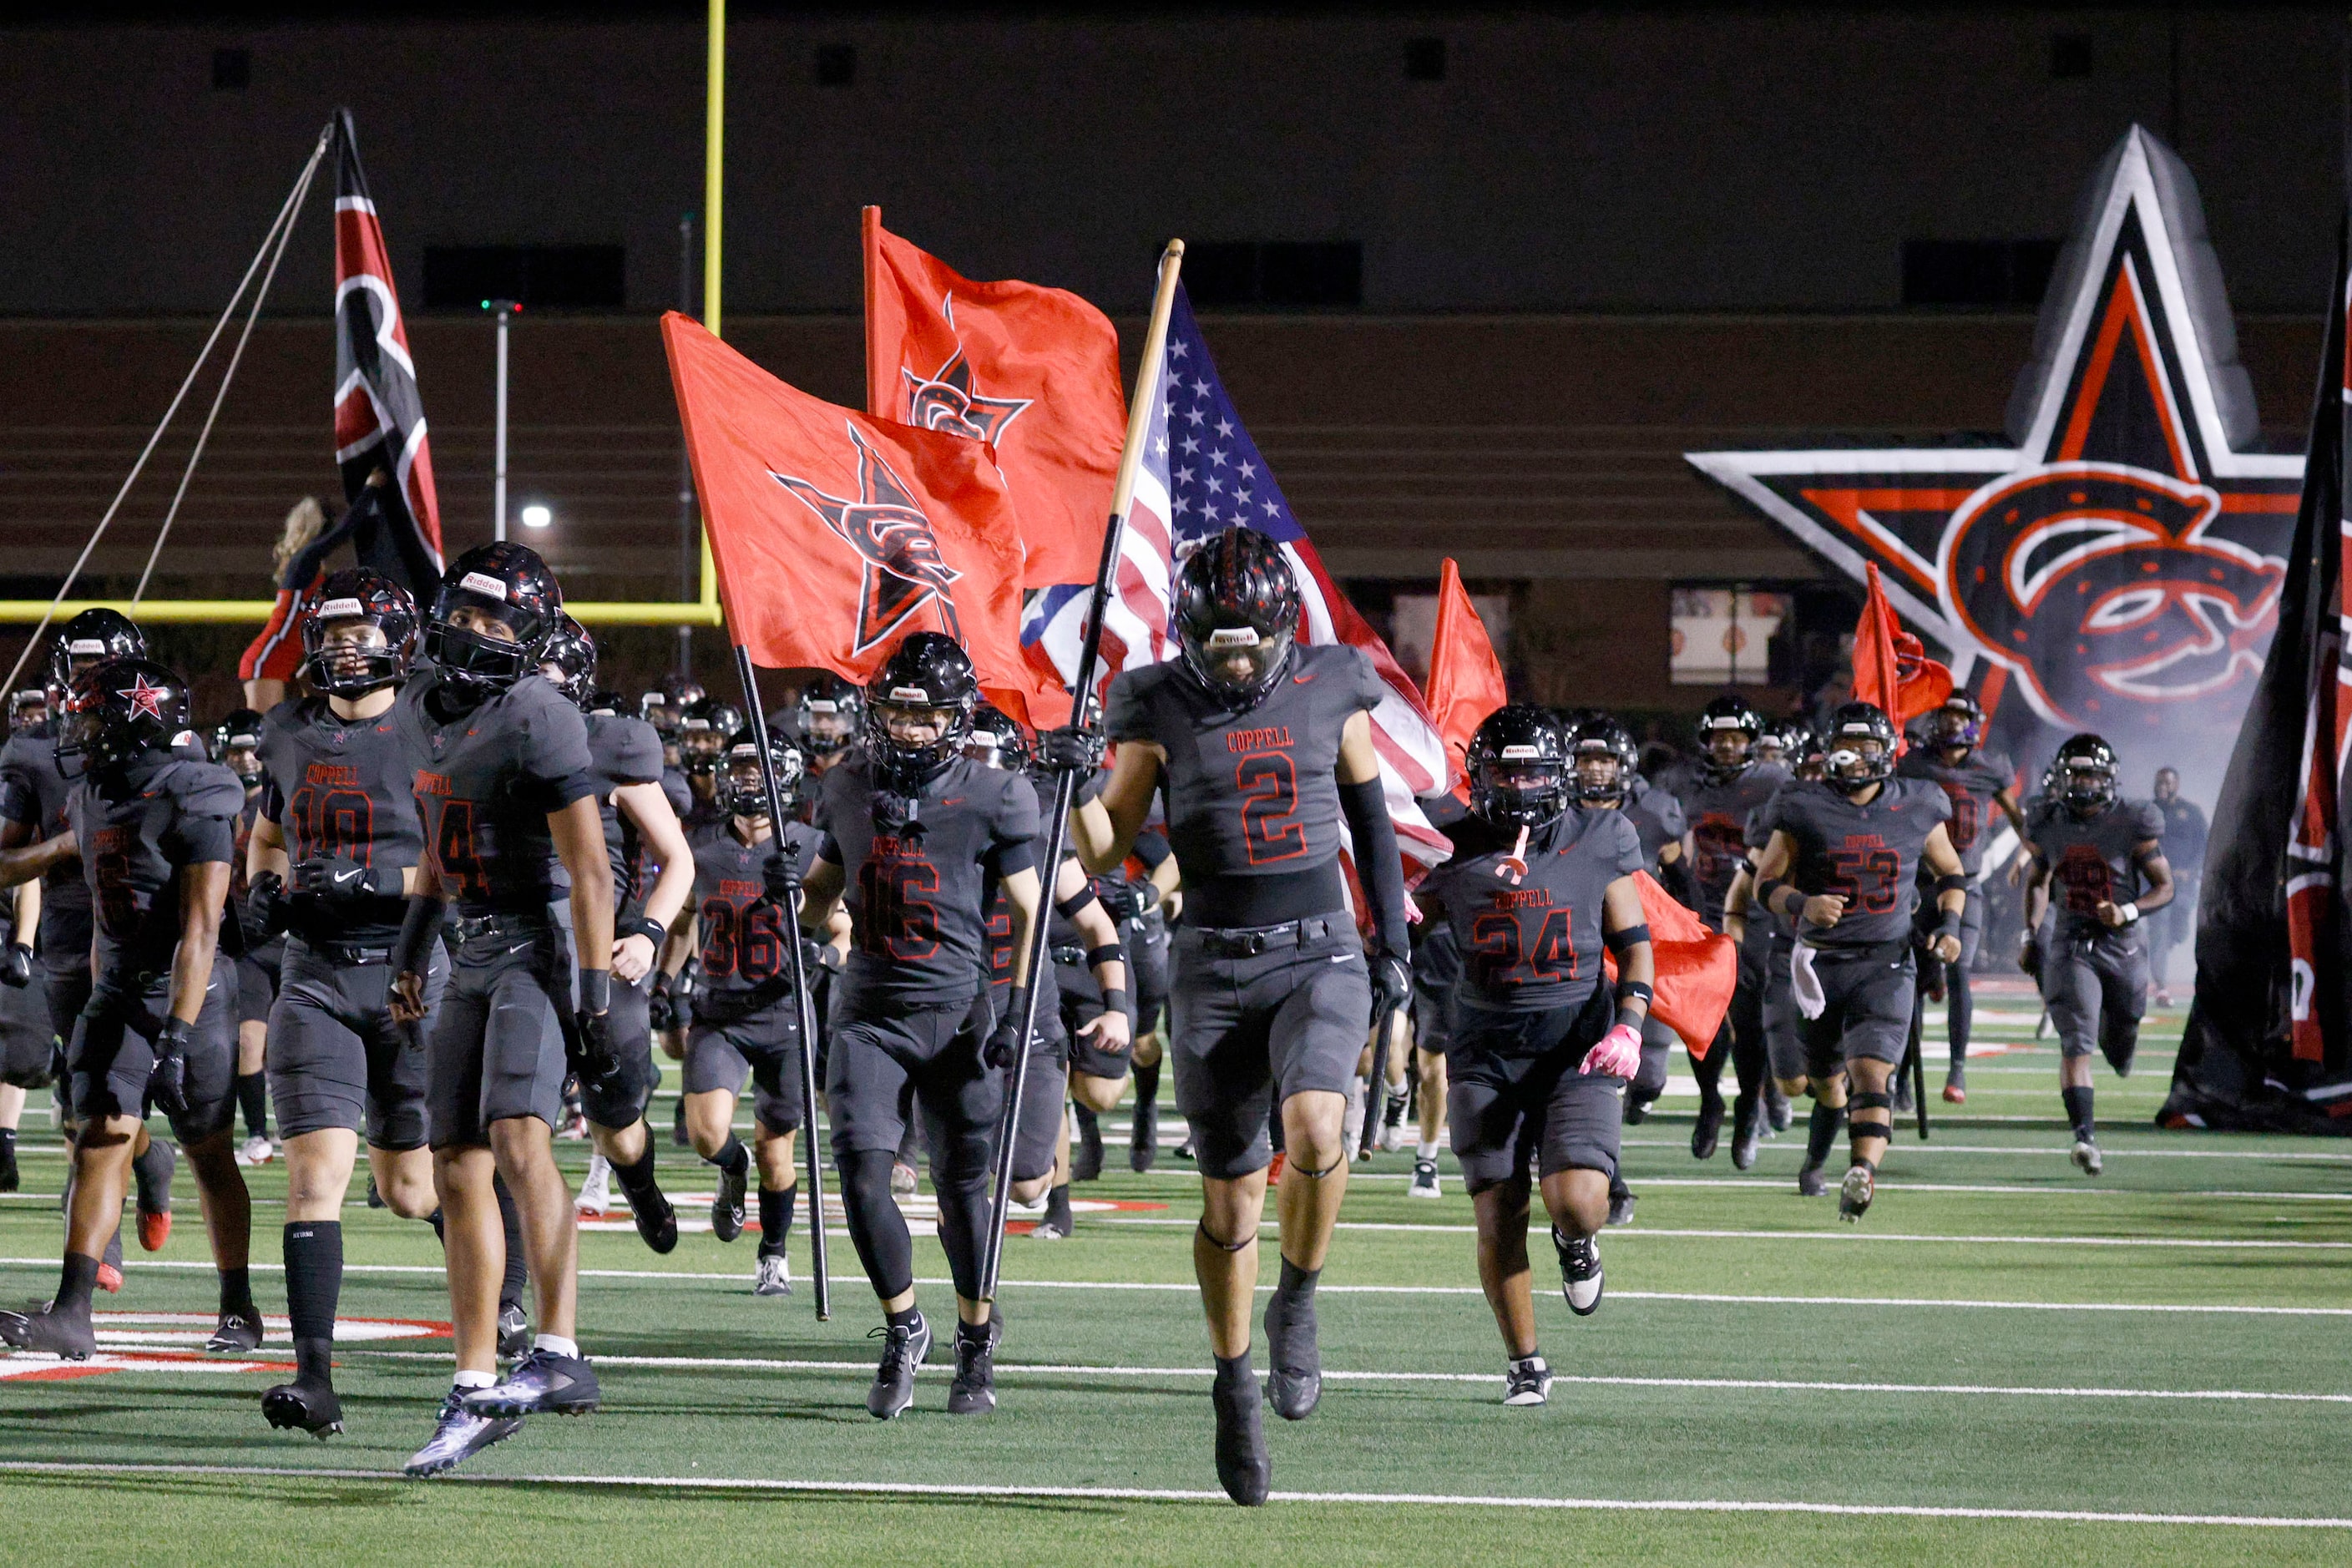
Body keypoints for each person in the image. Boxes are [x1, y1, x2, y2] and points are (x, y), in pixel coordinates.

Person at [1062, 528, 1411, 1507]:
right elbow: (1107, 842)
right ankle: (1232, 1381)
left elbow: (1373, 822)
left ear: (1283, 624)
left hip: (1319, 948)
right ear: (1190, 634)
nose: (1240, 658)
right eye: (1219, 643)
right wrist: (1072, 778)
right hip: (1212, 965)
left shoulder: (1334, 682)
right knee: (1229, 1205)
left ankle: (1298, 1301)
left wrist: (1394, 946)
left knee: (1315, 1127)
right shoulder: (1158, 701)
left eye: (1252, 639)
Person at [389, 543, 616, 1478]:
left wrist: (595, 1001)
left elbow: (591, 868)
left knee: (521, 1136)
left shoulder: (539, 712)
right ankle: (475, 1379)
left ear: (529, 640)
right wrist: (413, 942)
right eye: (468, 616)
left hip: (536, 946)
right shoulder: (418, 712)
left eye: (498, 623)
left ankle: (558, 1351)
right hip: (466, 952)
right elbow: (444, 844)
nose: (476, 634)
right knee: (453, 1166)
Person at [795, 633, 1043, 1420]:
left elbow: (1033, 911)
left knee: (964, 1194)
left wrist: (1013, 1008)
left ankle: (975, 1338)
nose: (907, 728)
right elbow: (818, 899)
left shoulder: (995, 794)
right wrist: (792, 894)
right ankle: (905, 1326)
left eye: (925, 714)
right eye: (897, 712)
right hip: (869, 1009)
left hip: (958, 1014)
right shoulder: (844, 786)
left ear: (956, 717)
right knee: (863, 1177)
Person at [0, 657, 253, 1357]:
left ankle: (238, 1303)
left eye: (88, 713)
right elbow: (90, 902)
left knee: (209, 1154)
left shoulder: (195, 790)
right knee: (100, 1139)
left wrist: (177, 1033)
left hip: (187, 992)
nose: (75, 726)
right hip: (117, 989)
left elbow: (201, 929)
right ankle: (72, 1310)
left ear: (127, 720)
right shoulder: (94, 792)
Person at [241, 570, 445, 1435]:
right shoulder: (287, 729)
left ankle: (506, 1291)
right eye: (329, 634)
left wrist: (384, 880)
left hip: (415, 973)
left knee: (411, 1187)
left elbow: (473, 857)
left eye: (358, 632)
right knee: (313, 1176)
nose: (340, 647)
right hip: (316, 974)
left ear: (397, 637)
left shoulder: (437, 725)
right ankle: (314, 1379)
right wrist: (261, 886)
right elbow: (272, 832)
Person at [1416, 706, 1651, 1404]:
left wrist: (1630, 1024)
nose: (1518, 786)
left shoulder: (1599, 834)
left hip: (1574, 1047)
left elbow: (1633, 941)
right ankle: (1524, 1361)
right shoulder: (1445, 843)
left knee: (1578, 1204)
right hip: (1484, 1050)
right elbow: (1399, 914)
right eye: (1503, 771)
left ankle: (1576, 1241)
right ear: (1476, 775)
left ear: (1559, 776)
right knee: (1498, 1210)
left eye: (1531, 771)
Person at [2, 613, 181, 1287]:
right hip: (73, 935)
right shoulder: (31, 752)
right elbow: (7, 855)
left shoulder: (171, 749)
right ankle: (126, 1196)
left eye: (100, 671)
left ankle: (133, 1195)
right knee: (88, 1100)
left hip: (145, 936)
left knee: (124, 1095)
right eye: (76, 669)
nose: (85, 683)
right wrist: (50, 849)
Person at [1746, 702, 1967, 1219]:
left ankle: (1863, 1172)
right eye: (1848, 746)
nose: (1857, 758)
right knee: (1820, 1081)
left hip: (1885, 963)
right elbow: (1765, 885)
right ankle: (1816, 1160)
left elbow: (1952, 874)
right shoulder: (1803, 804)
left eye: (1869, 747)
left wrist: (1951, 927)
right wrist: (1804, 904)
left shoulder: (1916, 803)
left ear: (1887, 752)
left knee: (1871, 1071)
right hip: (1818, 965)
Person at [665, 727, 843, 1296]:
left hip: (784, 1011)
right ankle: (730, 1168)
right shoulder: (701, 846)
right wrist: (667, 980)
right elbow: (686, 915)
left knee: (777, 1151)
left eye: (757, 769)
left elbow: (847, 928)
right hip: (720, 1010)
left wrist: (824, 955)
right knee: (705, 1133)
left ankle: (773, 1251)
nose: (746, 779)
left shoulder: (811, 845)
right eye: (739, 768)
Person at [538, 617, 691, 1252]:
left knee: (618, 1128)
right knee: (511, 1130)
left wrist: (650, 934)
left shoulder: (609, 745)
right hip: (515, 949)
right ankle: (517, 1288)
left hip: (600, 950)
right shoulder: (479, 737)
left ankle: (639, 1185)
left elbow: (677, 858)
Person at [2020, 736, 2173, 1175]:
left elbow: (2165, 886)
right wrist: (2031, 934)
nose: (2084, 783)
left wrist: (2126, 910)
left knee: (2121, 1039)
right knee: (2076, 1044)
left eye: (2092, 774)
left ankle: (2119, 1038)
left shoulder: (2133, 820)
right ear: (2063, 777)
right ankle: (2084, 1137)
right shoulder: (2047, 820)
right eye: (2077, 773)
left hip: (2122, 946)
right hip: (2072, 942)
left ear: (2108, 779)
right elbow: (2037, 879)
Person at [1567, 715, 1693, 1222]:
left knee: (1649, 1074)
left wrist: (1695, 937)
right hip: (1579, 955)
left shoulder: (1656, 815)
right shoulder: (1553, 811)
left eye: (1605, 760)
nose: (1596, 770)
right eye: (1587, 760)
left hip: (1640, 952)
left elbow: (1684, 884)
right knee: (1597, 1078)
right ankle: (1613, 1183)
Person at [1657, 695, 1789, 1162]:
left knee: (1749, 1023)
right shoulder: (1679, 784)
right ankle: (1709, 1098)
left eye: (1736, 738)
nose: (1728, 746)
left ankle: (1749, 1109)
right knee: (1702, 1020)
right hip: (1696, 912)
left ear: (1752, 741)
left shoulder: (1775, 783)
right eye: (1719, 737)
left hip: (1753, 914)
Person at [1894, 693, 2025, 1103]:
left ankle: (1957, 1069)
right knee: (1908, 979)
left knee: (1960, 970)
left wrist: (2027, 857)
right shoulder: (1914, 765)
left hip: (1965, 885)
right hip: (1919, 885)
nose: (1950, 724)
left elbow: (2021, 821)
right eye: (1945, 716)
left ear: (1973, 722)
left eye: (1958, 716)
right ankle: (1902, 1077)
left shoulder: (1990, 769)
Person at [214, 707, 282, 1166]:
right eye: (235, 751)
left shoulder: (285, 798)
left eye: (251, 750)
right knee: (248, 1043)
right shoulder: (215, 804)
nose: (245, 760)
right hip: (248, 945)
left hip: (296, 938)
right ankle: (258, 1133)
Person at [2147, 767, 2205, 1006]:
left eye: (2167, 782)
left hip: (2183, 886)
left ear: (2176, 784)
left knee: (2179, 931)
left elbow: (2203, 844)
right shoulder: (2147, 812)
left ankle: (2161, 950)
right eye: (2159, 781)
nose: (2162, 786)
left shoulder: (2191, 813)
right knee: (2158, 929)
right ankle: (2161, 985)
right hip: (2156, 885)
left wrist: (2191, 871)